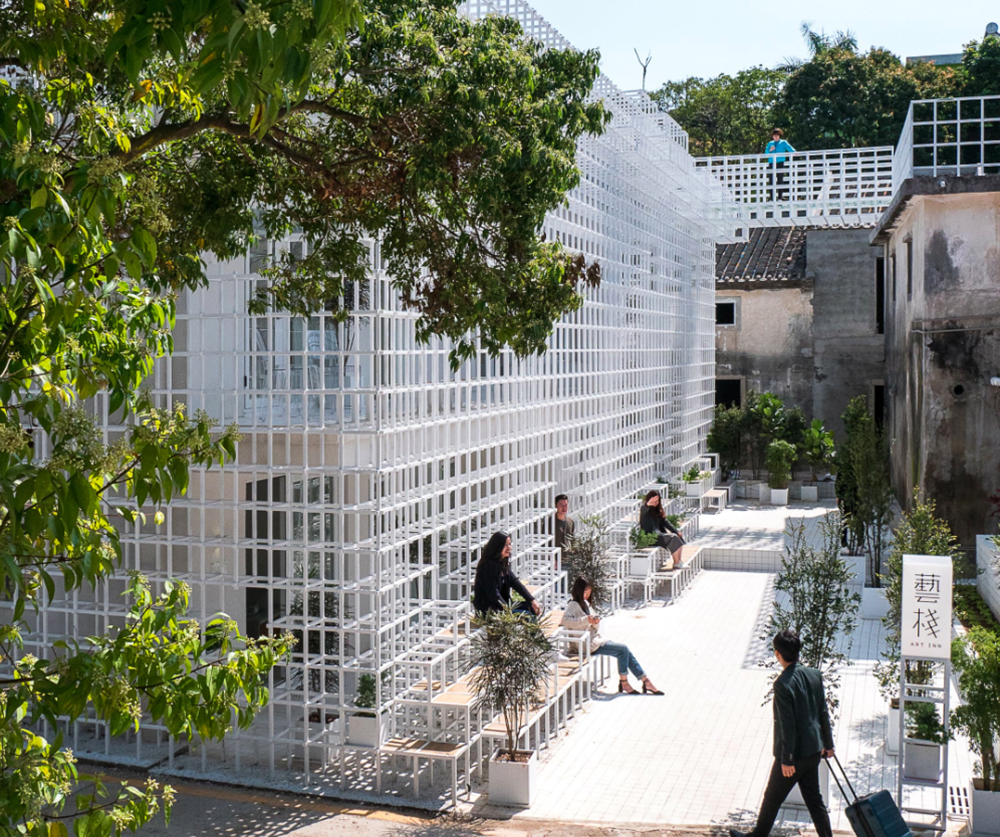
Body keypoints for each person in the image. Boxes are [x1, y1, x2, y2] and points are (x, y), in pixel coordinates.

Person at [730, 629, 834, 837]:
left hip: (793, 756)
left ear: (778, 654)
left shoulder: (783, 684)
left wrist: (787, 759)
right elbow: (823, 711)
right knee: (815, 801)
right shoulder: (814, 675)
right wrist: (828, 744)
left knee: (772, 797)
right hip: (814, 750)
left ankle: (757, 836)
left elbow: (787, 725)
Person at [561, 577, 664, 695]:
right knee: (623, 649)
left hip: (594, 640)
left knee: (625, 651)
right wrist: (587, 620)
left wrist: (595, 622)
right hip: (586, 644)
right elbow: (566, 620)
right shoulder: (573, 605)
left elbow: (592, 624)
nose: (586, 595)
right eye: (584, 592)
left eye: (588, 593)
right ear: (578, 591)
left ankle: (645, 681)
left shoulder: (586, 604)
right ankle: (626, 682)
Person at [472, 531, 541, 618]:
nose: (509, 548)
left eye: (509, 544)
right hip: (490, 609)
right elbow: (493, 594)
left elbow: (515, 582)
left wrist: (532, 600)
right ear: (497, 546)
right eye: (505, 545)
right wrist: (508, 610)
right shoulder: (487, 567)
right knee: (527, 616)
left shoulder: (502, 563)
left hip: (503, 606)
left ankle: (534, 631)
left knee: (532, 608)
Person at [639, 489, 685, 565]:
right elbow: (644, 509)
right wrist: (648, 504)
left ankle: (679, 561)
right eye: (653, 501)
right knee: (673, 538)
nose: (655, 503)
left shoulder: (657, 510)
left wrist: (676, 531)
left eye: (657, 501)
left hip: (658, 535)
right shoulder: (644, 509)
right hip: (650, 537)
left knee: (676, 536)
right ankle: (676, 563)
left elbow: (665, 522)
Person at [763, 128, 795, 202]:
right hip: (771, 162)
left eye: (777, 135)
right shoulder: (770, 143)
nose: (776, 137)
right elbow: (766, 154)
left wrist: (794, 152)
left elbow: (790, 148)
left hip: (780, 162)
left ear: (779, 136)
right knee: (771, 180)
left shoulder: (783, 142)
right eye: (774, 136)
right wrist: (770, 150)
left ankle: (780, 197)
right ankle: (771, 198)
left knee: (780, 179)